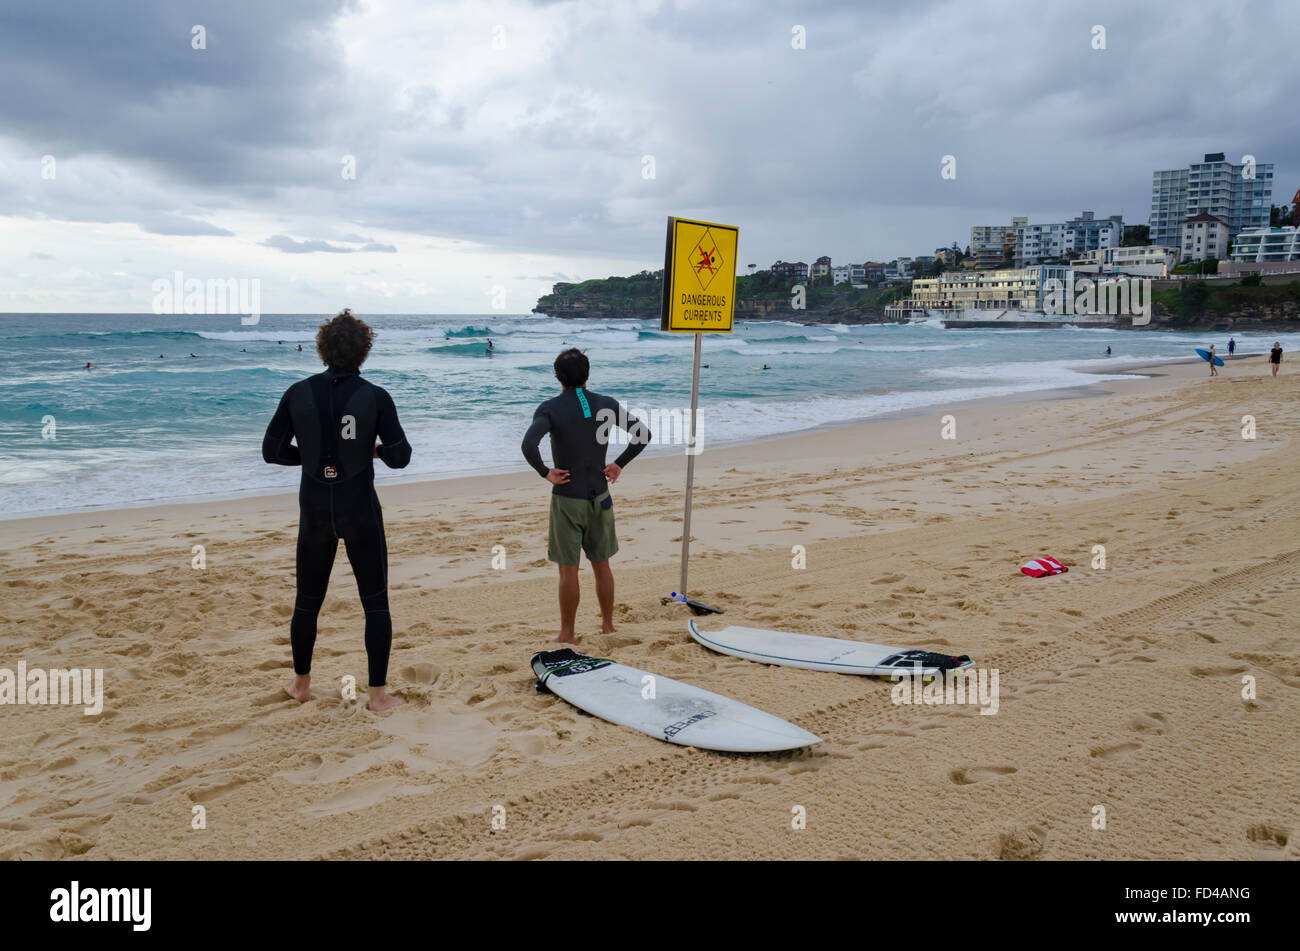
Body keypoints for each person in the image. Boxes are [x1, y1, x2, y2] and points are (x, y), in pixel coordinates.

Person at [262, 309, 411, 711]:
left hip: (314, 509)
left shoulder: (298, 393)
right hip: (360, 507)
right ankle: (378, 696)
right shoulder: (376, 397)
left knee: (307, 601)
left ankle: (301, 684)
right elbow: (401, 457)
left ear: (322, 348)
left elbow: (271, 452)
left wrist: (312, 458)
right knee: (375, 601)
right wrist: (369, 451)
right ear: (364, 350)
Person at [521, 348, 651, 643]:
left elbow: (529, 445)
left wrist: (545, 472)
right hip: (600, 496)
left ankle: (567, 633)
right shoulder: (605, 404)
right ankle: (608, 626)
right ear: (588, 374)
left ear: (558, 377)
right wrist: (619, 464)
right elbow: (642, 434)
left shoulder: (550, 409)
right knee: (602, 565)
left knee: (569, 572)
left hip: (568, 497)